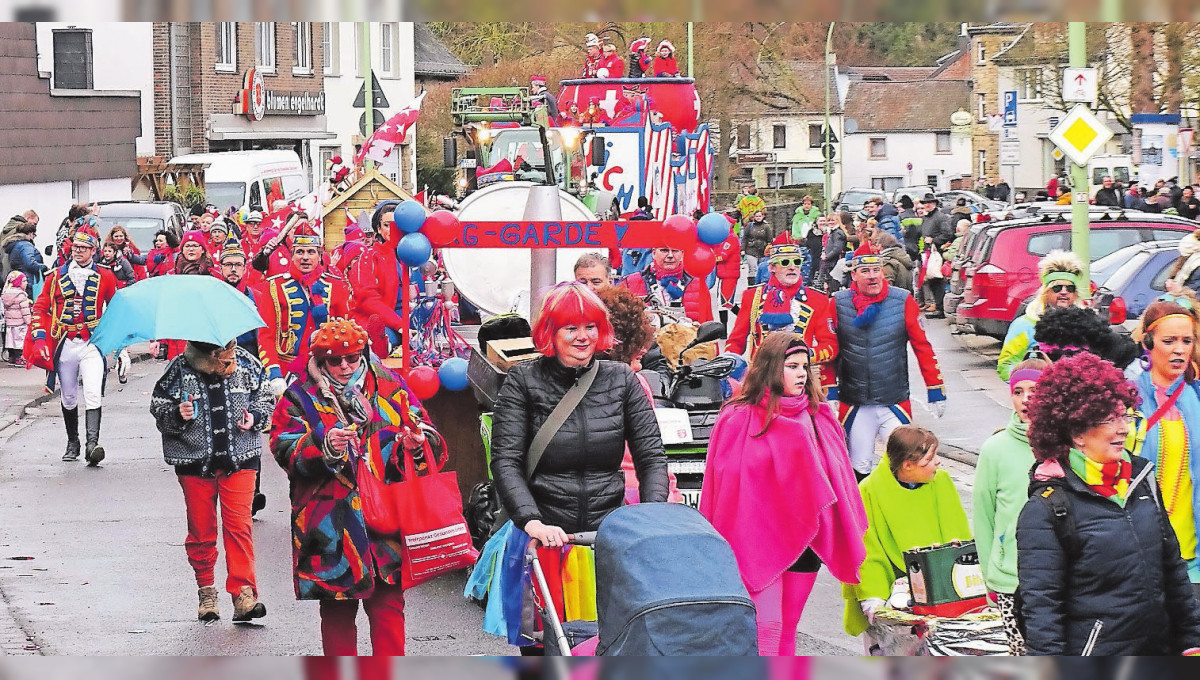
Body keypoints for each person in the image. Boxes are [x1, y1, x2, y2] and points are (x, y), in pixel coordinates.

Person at [271, 318, 445, 656]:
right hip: (328, 521)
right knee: (336, 610)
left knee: (389, 608)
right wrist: (324, 446)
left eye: (352, 357)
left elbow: (426, 434)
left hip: (386, 517)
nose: (345, 366)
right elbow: (283, 447)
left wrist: (414, 444)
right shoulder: (299, 396)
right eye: (334, 361)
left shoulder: (391, 386)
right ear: (321, 361)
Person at [1017, 352, 1200, 655]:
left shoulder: (1141, 480)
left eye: (1125, 416)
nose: (1124, 429)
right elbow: (1042, 610)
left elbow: (1172, 571)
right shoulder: (1048, 507)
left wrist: (1192, 640)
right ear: (1076, 432)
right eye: (1110, 419)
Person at [701, 333, 867, 656]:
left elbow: (839, 480)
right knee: (766, 629)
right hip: (756, 540)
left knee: (788, 629)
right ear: (771, 367)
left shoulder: (820, 417)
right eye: (792, 366)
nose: (802, 373)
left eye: (805, 366)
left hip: (805, 540)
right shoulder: (737, 417)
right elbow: (721, 483)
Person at [491, 282, 668, 548]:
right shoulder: (523, 380)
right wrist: (531, 521)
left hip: (609, 532)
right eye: (571, 328)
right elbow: (506, 460)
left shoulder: (622, 379)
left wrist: (651, 515)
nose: (583, 336)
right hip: (542, 535)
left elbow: (651, 457)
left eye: (591, 327)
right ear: (551, 332)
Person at [149, 338, 272, 623]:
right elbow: (158, 408)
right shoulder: (178, 368)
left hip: (241, 458)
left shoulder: (247, 364)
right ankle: (206, 590)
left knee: (239, 526)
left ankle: (244, 592)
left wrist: (254, 417)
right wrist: (178, 414)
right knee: (202, 531)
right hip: (193, 463)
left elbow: (265, 399)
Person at [842, 425, 971, 639]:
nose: (937, 462)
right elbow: (866, 550)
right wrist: (873, 598)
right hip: (893, 595)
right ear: (908, 466)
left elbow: (959, 534)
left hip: (943, 587)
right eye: (928, 460)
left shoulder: (943, 481)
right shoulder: (868, 491)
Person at [832, 254, 946, 479]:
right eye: (865, 271)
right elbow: (831, 349)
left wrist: (935, 388)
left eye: (877, 270)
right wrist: (830, 391)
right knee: (857, 468)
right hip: (855, 402)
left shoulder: (902, 300)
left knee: (908, 464)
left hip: (894, 400)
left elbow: (922, 346)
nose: (873, 276)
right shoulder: (837, 302)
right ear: (854, 275)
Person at [973, 357, 1050, 656]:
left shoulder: (1067, 445)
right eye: (1018, 392)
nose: (1026, 399)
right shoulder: (995, 450)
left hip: (1059, 576)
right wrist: (989, 573)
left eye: (1035, 390)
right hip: (1010, 578)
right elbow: (984, 516)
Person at [25, 226, 117, 465]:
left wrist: (121, 349)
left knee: (93, 392)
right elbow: (41, 308)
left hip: (92, 343)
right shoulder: (55, 277)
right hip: (65, 343)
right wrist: (40, 339)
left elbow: (116, 312)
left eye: (84, 248)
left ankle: (91, 445)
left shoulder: (106, 276)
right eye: (76, 247)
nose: (78, 251)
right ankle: (72, 442)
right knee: (67, 396)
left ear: (93, 251)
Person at [1130, 294, 1200, 598]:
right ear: (1149, 343)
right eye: (1169, 340)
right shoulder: (1128, 393)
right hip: (1142, 550)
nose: (1180, 349)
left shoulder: (1193, 395)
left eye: (1187, 341)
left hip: (1192, 551)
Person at [256, 222, 351, 396]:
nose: (305, 257)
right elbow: (265, 335)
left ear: (320, 255)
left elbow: (344, 331)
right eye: (299, 252)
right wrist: (274, 374)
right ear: (292, 255)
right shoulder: (274, 286)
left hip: (326, 370)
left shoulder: (335, 285)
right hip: (286, 371)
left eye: (311, 252)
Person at [728, 243, 838, 387]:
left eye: (797, 262)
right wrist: (731, 367)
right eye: (785, 262)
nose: (792, 267)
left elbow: (830, 346)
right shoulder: (753, 297)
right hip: (760, 381)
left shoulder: (817, 299)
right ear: (772, 267)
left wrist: (805, 355)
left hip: (799, 383)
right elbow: (736, 341)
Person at [997, 251, 1085, 380]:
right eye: (1057, 288)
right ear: (1045, 292)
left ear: (1075, 294)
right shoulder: (1025, 325)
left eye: (1070, 288)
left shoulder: (1086, 324)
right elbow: (1006, 365)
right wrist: (1030, 385)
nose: (1064, 292)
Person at [347, 203, 404, 356]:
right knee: (381, 346)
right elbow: (367, 299)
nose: (393, 230)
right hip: (384, 321)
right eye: (387, 225)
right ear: (379, 229)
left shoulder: (418, 254)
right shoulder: (369, 257)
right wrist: (400, 325)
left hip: (412, 319)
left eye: (398, 225)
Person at [620, 245, 714, 324]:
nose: (670, 255)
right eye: (664, 250)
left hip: (688, 342)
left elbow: (708, 324)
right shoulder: (631, 282)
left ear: (682, 254)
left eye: (675, 250)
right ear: (653, 253)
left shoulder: (697, 282)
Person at [918, 194, 953, 318]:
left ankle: (941, 308)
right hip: (928, 253)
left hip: (936, 253)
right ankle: (938, 307)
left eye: (929, 203)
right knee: (931, 280)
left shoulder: (940, 217)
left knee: (937, 280)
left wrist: (934, 240)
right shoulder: (927, 217)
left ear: (934, 204)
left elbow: (947, 234)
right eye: (925, 203)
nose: (926, 205)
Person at [1, 218, 45, 296]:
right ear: (30, 234)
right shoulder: (25, 245)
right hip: (29, 281)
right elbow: (30, 263)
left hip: (20, 280)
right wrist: (44, 268)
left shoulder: (15, 244)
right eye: (34, 235)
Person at [2, 271, 31, 365]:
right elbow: (25, 311)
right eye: (24, 281)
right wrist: (29, 322)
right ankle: (20, 358)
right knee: (20, 341)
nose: (26, 283)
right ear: (18, 282)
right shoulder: (21, 295)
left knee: (11, 340)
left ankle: (12, 357)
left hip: (10, 323)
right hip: (20, 323)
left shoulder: (6, 294)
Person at [741, 210, 770, 286]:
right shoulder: (750, 226)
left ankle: (761, 285)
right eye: (756, 216)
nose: (758, 218)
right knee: (752, 269)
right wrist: (743, 249)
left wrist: (769, 250)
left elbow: (769, 240)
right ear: (754, 217)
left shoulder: (766, 226)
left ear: (762, 217)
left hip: (763, 251)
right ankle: (751, 286)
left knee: (762, 269)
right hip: (751, 250)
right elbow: (744, 238)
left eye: (759, 216)